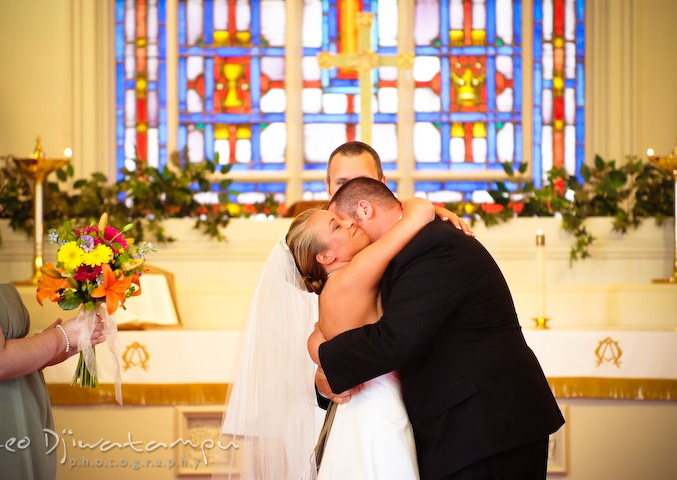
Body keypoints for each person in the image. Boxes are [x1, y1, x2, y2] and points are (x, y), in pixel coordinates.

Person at [218, 141, 473, 480]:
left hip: (394, 406)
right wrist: (324, 373)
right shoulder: (346, 259)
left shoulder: (352, 256)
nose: (354, 198)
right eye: (342, 185)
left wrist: (324, 353)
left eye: (362, 183)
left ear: (381, 184)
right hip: (356, 411)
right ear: (328, 188)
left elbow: (321, 336)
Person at [313, 177, 565, 480]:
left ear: (365, 210)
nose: (349, 231)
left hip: (485, 429)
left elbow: (396, 339)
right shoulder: (399, 253)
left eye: (343, 223)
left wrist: (328, 365)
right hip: (462, 430)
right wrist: (322, 365)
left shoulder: (433, 245)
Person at [286, 193, 435, 479]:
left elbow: (318, 339)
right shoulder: (352, 275)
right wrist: (417, 205)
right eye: (337, 226)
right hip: (378, 409)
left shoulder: (331, 290)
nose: (349, 222)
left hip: (357, 410)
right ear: (326, 257)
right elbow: (419, 214)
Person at [0, 156, 106, 480]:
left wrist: (61, 344)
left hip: (16, 410)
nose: (0, 206)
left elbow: (1, 349)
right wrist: (61, 337)